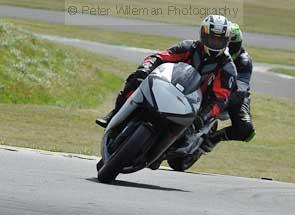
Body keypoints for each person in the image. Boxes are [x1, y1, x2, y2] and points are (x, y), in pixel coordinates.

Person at [96, 14, 237, 130]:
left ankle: (184, 147)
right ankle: (115, 113)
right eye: (211, 38)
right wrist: (145, 69)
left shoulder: (227, 67)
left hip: (195, 106)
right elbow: (159, 57)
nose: (214, 43)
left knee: (196, 127)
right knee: (137, 79)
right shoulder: (188, 47)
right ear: (202, 35)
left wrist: (204, 115)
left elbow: (220, 98)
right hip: (169, 86)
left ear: (227, 41)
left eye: (219, 40)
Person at [208, 22, 255, 146]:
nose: (227, 48)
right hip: (207, 87)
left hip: (233, 95)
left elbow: (240, 89)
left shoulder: (244, 62)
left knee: (245, 129)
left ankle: (214, 139)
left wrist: (219, 100)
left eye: (231, 45)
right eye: (223, 42)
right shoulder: (209, 51)